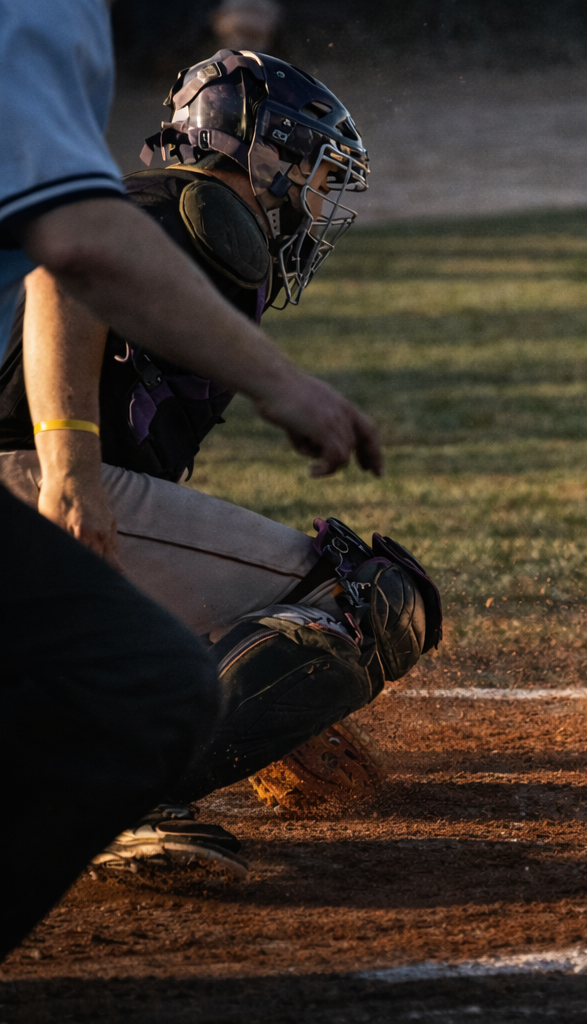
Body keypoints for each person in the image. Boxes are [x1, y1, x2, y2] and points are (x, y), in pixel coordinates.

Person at [0, 46, 441, 886]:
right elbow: (69, 279)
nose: (318, 202)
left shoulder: (173, 212)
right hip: (24, 487)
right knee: (364, 598)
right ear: (260, 149)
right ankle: (112, 794)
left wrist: (270, 700)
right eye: (314, 172)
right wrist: (70, 466)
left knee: (194, 644)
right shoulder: (201, 209)